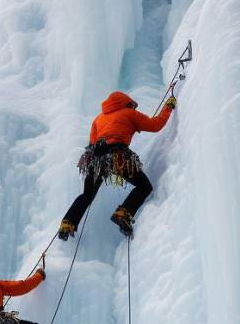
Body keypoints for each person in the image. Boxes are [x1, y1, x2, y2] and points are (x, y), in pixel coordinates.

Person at [58, 90, 176, 239]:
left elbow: (92, 143)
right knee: (144, 186)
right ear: (127, 103)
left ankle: (68, 222)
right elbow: (155, 125)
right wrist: (168, 107)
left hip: (95, 159)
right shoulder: (129, 113)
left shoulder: (98, 119)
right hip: (117, 156)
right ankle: (123, 213)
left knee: (87, 195)